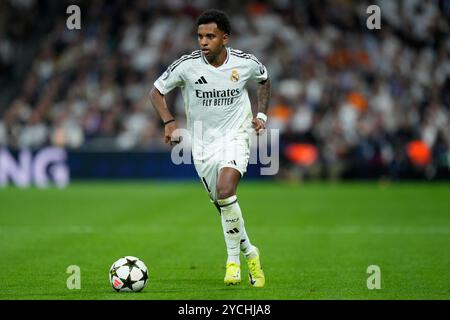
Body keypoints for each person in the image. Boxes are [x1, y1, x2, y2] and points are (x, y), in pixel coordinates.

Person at [149, 9, 270, 287]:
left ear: (224, 38)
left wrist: (261, 115)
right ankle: (250, 252)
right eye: (200, 36)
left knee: (227, 190)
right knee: (223, 206)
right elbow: (156, 91)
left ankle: (232, 262)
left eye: (210, 36)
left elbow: (264, 79)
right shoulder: (186, 66)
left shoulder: (245, 63)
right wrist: (168, 122)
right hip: (202, 143)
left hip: (236, 136)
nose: (203, 42)